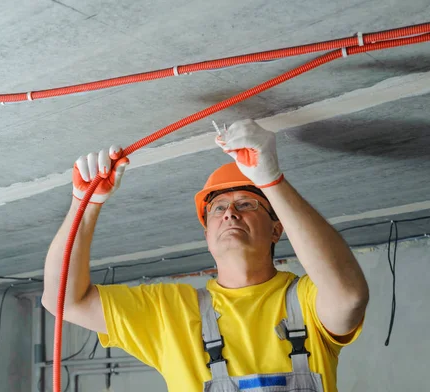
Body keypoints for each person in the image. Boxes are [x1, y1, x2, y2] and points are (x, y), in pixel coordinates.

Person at [42, 119, 369, 392]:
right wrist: (84, 205)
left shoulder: (306, 301)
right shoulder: (169, 312)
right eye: (218, 209)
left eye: (246, 204)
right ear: (207, 235)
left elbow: (349, 296)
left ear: (275, 229)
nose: (230, 214)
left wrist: (271, 182)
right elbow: (64, 300)